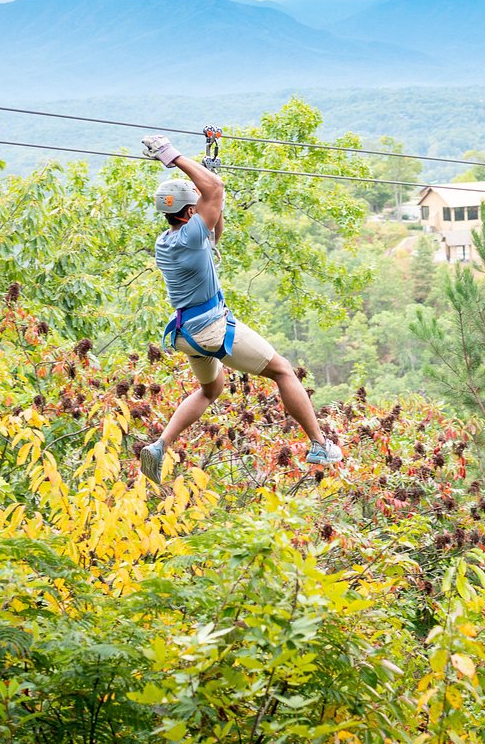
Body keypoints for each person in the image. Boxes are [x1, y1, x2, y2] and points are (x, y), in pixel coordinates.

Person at [137, 134, 343, 483]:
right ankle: (320, 444)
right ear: (190, 212)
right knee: (283, 372)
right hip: (212, 329)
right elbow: (214, 191)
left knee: (210, 390)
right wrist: (172, 157)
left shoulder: (168, 240)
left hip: (186, 332)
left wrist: (211, 194)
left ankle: (159, 446)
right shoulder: (189, 237)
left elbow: (215, 226)